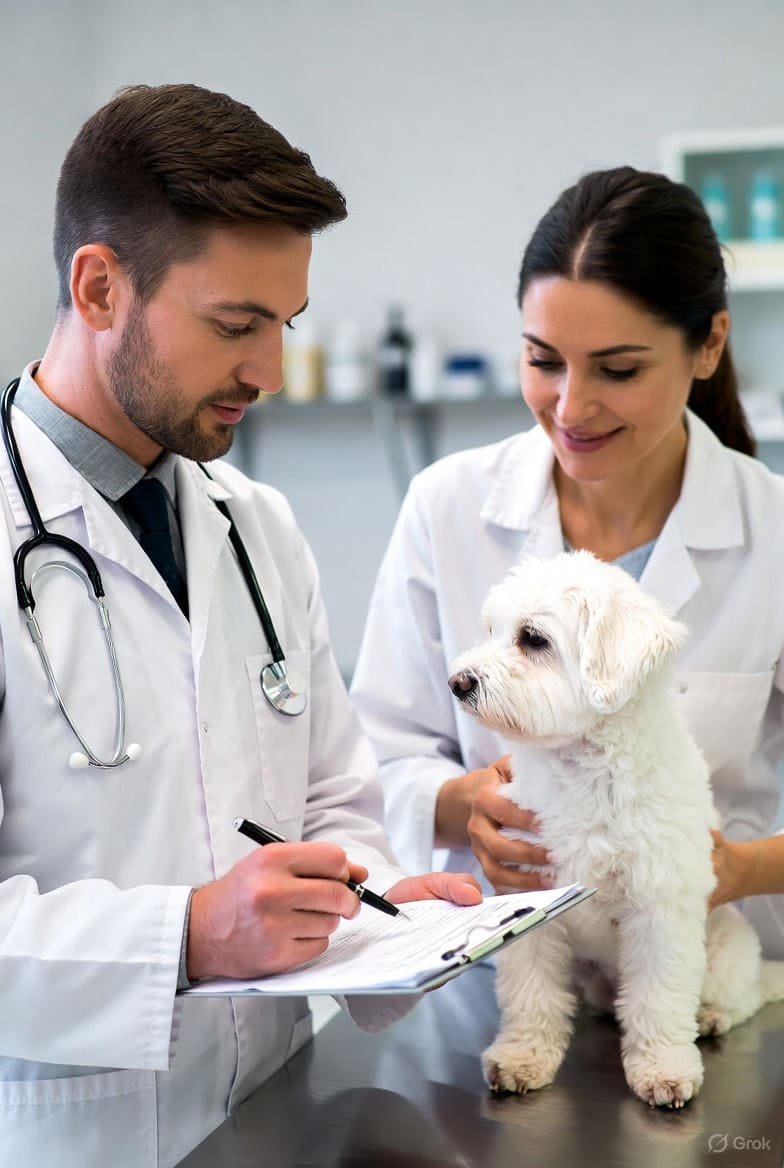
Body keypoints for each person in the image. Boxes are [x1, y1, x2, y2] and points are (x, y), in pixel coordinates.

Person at [0, 83, 482, 1168]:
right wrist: (187, 935)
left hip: (271, 1117)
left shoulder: (255, 525)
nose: (267, 370)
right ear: (99, 285)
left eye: (284, 325)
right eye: (236, 324)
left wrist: (373, 902)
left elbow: (332, 800)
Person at [351, 165, 784, 961]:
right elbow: (372, 756)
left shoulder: (774, 532)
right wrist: (462, 807)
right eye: (544, 361)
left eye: (618, 370)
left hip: (706, 992)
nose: (572, 407)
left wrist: (735, 868)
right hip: (492, 989)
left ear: (709, 345)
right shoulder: (447, 507)